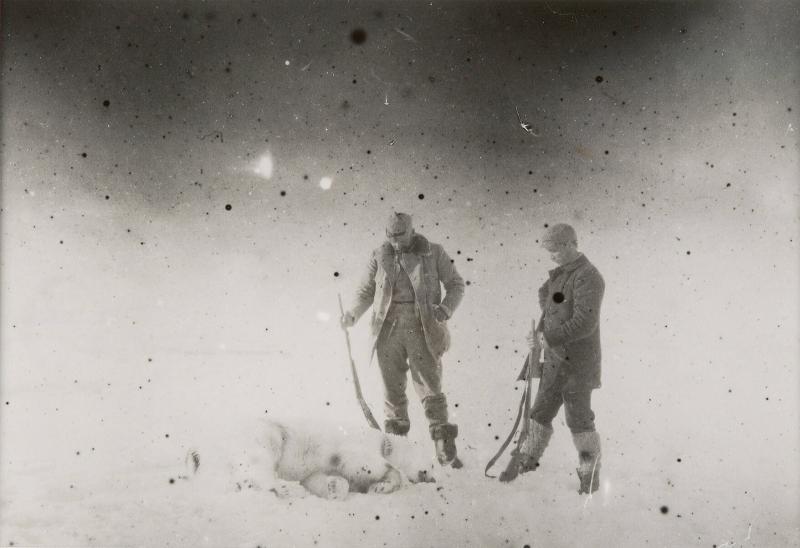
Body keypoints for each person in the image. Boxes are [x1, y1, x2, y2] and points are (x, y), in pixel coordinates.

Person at [341, 212, 465, 467]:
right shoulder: (379, 255)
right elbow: (366, 291)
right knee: (391, 389)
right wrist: (353, 313)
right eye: (390, 236)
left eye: (401, 235)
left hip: (423, 329)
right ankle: (398, 449)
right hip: (387, 329)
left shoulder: (434, 252)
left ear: (411, 231)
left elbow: (456, 284)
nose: (396, 241)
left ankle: (443, 445)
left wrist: (445, 308)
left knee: (429, 385)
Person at [519, 223, 605, 494]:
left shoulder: (588, 276)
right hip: (555, 362)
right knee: (540, 412)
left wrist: (549, 338)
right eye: (549, 251)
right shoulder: (560, 276)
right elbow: (552, 309)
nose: (551, 256)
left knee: (579, 420)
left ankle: (589, 475)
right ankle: (525, 462)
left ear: (570, 244)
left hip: (579, 365)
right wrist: (540, 336)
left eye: (555, 249)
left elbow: (584, 322)